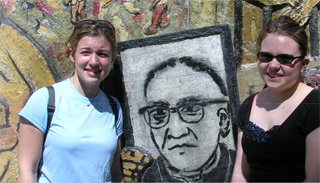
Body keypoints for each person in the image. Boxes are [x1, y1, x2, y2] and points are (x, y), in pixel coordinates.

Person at [18, 19, 124, 183]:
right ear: (71, 54)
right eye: (85, 52)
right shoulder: (45, 101)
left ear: (112, 60)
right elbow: (27, 172)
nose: (94, 61)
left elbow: (115, 173)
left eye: (102, 54)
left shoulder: (113, 107)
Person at [231, 16, 319, 182]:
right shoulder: (248, 106)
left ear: (303, 64)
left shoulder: (314, 108)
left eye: (285, 59)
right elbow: (240, 173)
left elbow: (314, 178)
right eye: (265, 56)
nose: (273, 65)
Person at [138, 56, 236, 182]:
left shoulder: (241, 167)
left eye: (191, 110)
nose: (176, 132)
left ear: (223, 120)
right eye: (159, 113)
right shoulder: (148, 178)